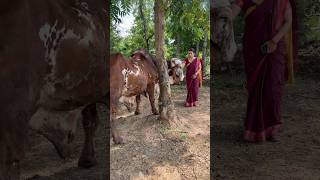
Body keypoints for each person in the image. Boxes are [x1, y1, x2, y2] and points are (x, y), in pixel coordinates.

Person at [231, 0, 298, 142]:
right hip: (253, 49)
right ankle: (253, 129)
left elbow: (288, 21)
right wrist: (220, 12)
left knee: (273, 88)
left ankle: (273, 129)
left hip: (274, 49)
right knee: (255, 89)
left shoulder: (281, 1)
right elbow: (230, 15)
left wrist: (274, 41)